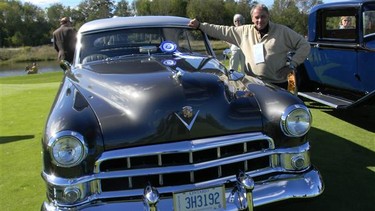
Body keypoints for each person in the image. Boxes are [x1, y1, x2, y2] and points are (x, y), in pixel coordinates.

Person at [188, 3, 310, 93]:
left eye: (263, 17)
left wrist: (292, 64)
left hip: (277, 84)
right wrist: (200, 25)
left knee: (278, 116)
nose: (260, 20)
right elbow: (221, 30)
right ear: (252, 18)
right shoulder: (244, 31)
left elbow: (304, 45)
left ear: (268, 16)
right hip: (252, 83)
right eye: (257, 17)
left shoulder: (282, 31)